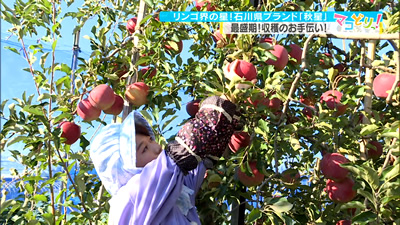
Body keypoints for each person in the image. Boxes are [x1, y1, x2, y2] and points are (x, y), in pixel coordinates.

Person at [90, 95, 241, 225]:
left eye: (150, 140)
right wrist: (214, 112)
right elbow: (181, 155)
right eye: (144, 149)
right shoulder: (131, 197)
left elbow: (196, 163)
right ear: (125, 168)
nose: (156, 148)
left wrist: (224, 124)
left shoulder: (172, 190)